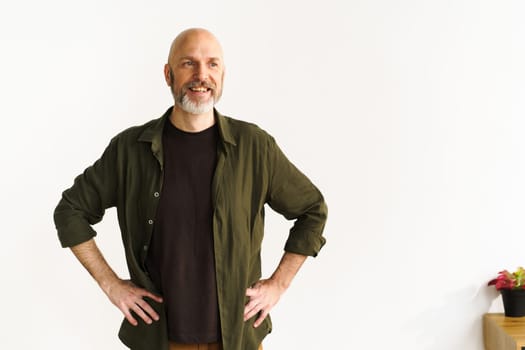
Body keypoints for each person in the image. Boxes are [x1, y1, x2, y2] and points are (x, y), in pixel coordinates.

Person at [53, 28, 327, 350]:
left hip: (237, 338)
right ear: (168, 74)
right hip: (159, 339)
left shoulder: (255, 147)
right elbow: (70, 212)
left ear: (223, 74)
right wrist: (111, 284)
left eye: (212, 64)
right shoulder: (129, 150)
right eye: (188, 63)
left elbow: (312, 210)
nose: (201, 75)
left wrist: (278, 284)